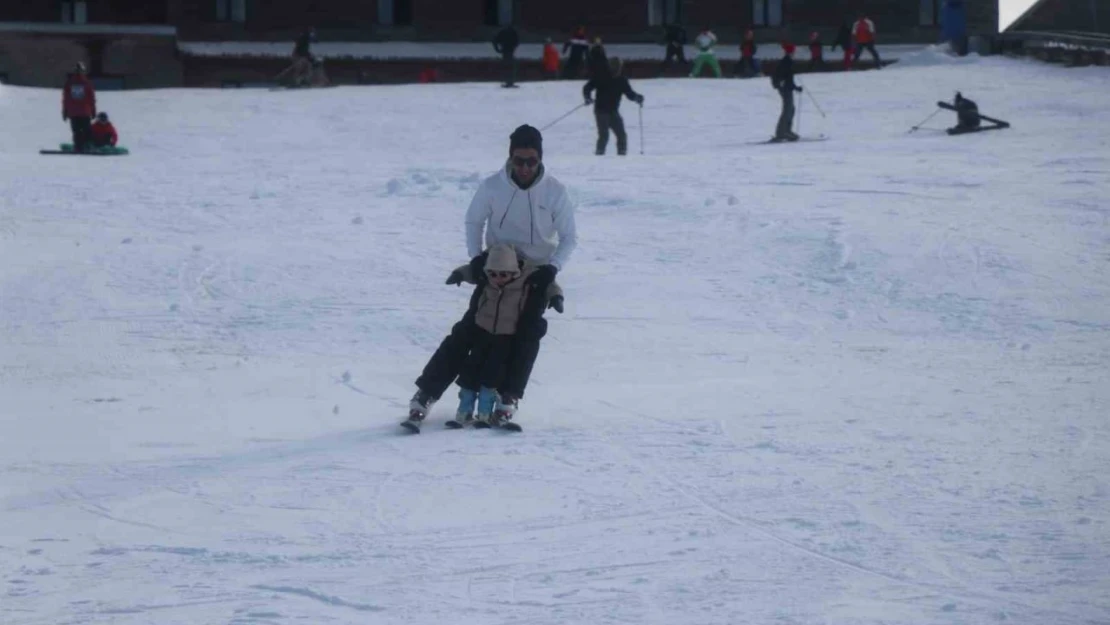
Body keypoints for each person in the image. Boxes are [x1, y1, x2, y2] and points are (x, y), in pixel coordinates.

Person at [408, 125, 577, 426]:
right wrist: (477, 260)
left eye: (532, 161)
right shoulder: (491, 187)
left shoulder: (555, 191)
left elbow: (569, 238)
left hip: (535, 275)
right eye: (519, 160)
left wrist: (552, 268)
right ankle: (426, 393)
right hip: (496, 269)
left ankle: (508, 396)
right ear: (510, 158)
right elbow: (474, 221)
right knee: (468, 332)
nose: (525, 168)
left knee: (527, 336)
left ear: (540, 159)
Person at [441, 244, 564, 428]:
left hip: (506, 338)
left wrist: (556, 298)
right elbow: (470, 271)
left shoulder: (527, 277)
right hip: (483, 334)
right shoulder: (487, 280)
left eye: (503, 274)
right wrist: (458, 274)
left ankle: (488, 414)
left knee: (491, 380)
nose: (497, 279)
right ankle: (464, 413)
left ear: (513, 271)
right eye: (493, 274)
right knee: (469, 377)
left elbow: (550, 285)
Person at [583, 57, 644, 156]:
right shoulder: (601, 76)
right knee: (604, 135)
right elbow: (587, 87)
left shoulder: (621, 80)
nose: (616, 69)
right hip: (601, 111)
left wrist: (637, 98)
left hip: (613, 111)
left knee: (621, 135)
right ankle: (599, 155)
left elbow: (629, 94)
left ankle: (622, 155)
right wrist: (587, 97)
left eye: (618, 67)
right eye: (614, 66)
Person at [62, 62, 96, 153]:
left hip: (73, 112)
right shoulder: (87, 83)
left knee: (76, 131)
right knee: (87, 130)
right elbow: (91, 98)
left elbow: (66, 99)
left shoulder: (69, 83)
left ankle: (78, 146)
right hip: (85, 112)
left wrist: (65, 111)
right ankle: (88, 146)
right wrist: (93, 110)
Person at [771, 43, 803, 142]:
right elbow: (787, 78)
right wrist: (794, 87)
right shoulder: (787, 62)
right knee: (788, 109)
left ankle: (787, 130)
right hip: (785, 88)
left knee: (791, 109)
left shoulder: (787, 61)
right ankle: (782, 132)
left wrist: (795, 87)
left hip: (785, 87)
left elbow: (788, 78)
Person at [493, 23, 520, 87]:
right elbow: (517, 41)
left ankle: (508, 81)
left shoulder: (503, 32)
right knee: (510, 66)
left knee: (507, 65)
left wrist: (497, 49)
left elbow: (495, 40)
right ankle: (510, 82)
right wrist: (514, 47)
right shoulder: (513, 32)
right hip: (509, 50)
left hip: (505, 50)